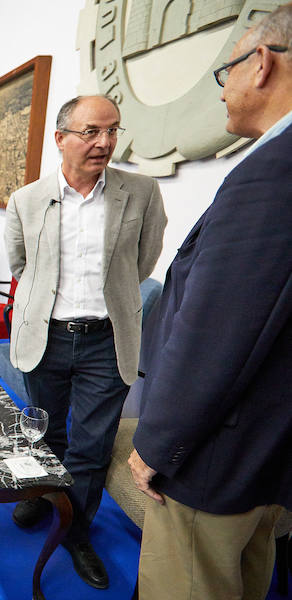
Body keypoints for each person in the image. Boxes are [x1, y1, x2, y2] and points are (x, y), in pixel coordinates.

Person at [129, 6, 292, 599]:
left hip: (217, 461)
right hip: (268, 454)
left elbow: (218, 333)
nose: (222, 93)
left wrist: (155, 445)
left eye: (224, 75)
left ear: (262, 65)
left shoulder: (270, 175)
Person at [4, 94, 167, 589]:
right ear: (61, 139)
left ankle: (75, 534)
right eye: (92, 131)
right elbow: (20, 267)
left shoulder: (140, 192)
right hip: (46, 337)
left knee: (92, 447)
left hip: (106, 340)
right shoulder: (26, 200)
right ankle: (42, 492)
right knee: (47, 431)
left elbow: (144, 262)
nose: (105, 142)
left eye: (113, 130)